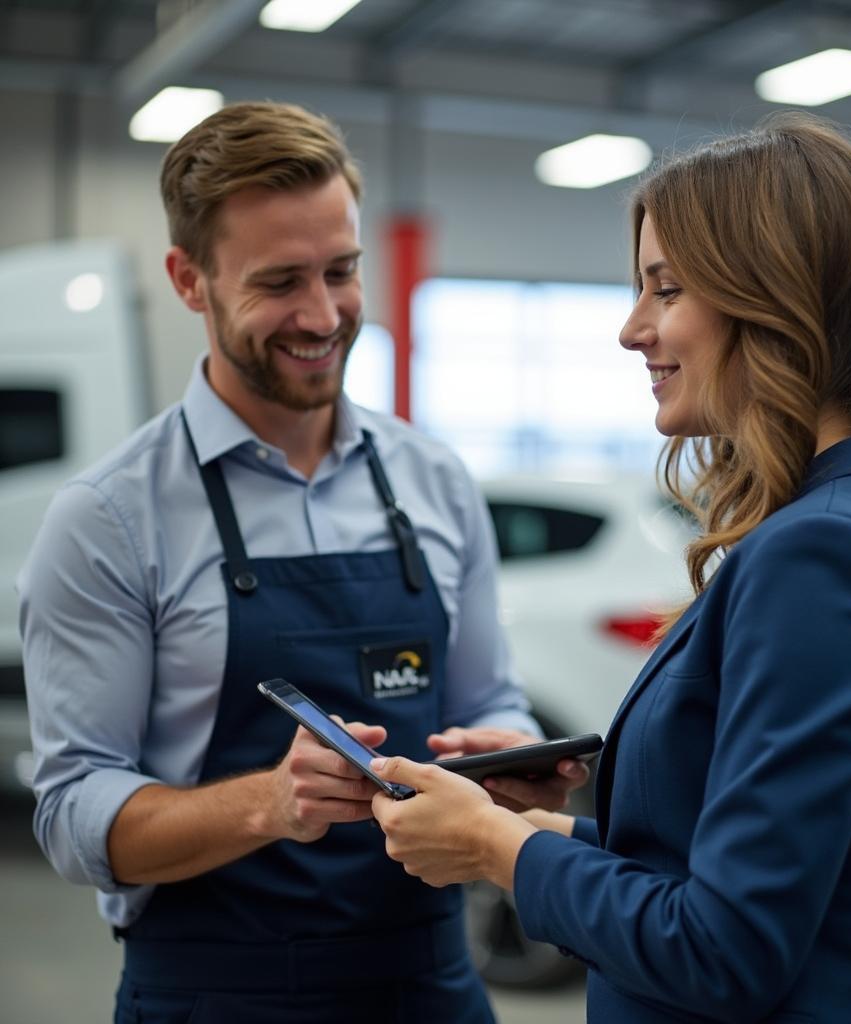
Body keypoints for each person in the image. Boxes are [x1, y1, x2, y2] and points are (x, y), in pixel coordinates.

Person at [370, 112, 851, 1023]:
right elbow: (763, 878)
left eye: (666, 290)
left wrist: (492, 851)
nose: (634, 330)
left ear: (778, 296)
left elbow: (725, 948)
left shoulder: (824, 554)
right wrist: (530, 830)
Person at [17, 100, 586, 1024]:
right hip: (217, 993)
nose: (322, 315)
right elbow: (73, 816)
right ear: (189, 279)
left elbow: (490, 696)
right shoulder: (109, 520)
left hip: (431, 984)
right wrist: (269, 805)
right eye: (280, 281)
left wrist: (503, 750)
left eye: (342, 271)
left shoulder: (434, 481)